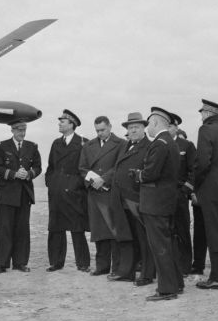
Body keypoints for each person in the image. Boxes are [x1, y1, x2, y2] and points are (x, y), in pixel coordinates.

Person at [130, 107, 183, 301]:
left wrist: (137, 174)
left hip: (155, 203)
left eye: (148, 123)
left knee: (160, 246)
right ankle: (176, 282)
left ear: (155, 123)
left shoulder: (160, 143)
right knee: (168, 244)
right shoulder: (169, 142)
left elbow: (151, 173)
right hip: (166, 201)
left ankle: (167, 289)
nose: (147, 128)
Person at [79, 116, 129, 277]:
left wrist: (104, 179)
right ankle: (102, 266)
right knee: (99, 231)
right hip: (94, 193)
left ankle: (117, 267)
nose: (100, 133)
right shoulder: (88, 146)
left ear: (110, 127)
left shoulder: (121, 144)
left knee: (114, 231)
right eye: (97, 130)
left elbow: (119, 166)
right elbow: (82, 168)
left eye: (103, 130)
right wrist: (93, 181)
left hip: (111, 192)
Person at [0, 120, 42, 274]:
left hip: (24, 194)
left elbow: (38, 167)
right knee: (5, 228)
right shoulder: (1, 146)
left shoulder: (32, 147)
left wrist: (29, 174)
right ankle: (2, 264)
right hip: (6, 194)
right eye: (19, 130)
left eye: (24, 130)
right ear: (12, 130)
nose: (22, 133)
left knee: (22, 229)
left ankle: (20, 263)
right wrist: (14, 174)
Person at [112, 111, 155, 286]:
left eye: (136, 127)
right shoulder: (124, 146)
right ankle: (126, 272)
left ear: (144, 128)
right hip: (121, 200)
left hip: (137, 200)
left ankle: (147, 274)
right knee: (126, 237)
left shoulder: (149, 147)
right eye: (130, 128)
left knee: (144, 239)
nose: (133, 130)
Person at [194, 99, 218, 289]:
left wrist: (196, 184)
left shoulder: (205, 130)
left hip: (209, 188)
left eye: (202, 112)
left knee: (214, 232)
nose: (201, 116)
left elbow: (202, 162)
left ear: (208, 113)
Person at [45, 109, 90, 272]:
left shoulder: (84, 143)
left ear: (72, 124)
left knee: (77, 228)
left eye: (62, 121)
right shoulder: (56, 143)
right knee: (56, 228)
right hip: (57, 191)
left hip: (74, 192)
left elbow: (86, 168)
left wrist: (75, 184)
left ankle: (83, 263)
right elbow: (51, 166)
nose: (59, 124)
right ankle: (56, 262)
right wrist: (51, 182)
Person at [168, 112, 196, 276]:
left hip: (179, 194)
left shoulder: (186, 145)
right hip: (163, 195)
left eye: (171, 126)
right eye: (167, 125)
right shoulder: (160, 144)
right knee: (168, 230)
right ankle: (171, 264)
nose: (169, 128)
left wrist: (186, 189)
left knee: (182, 230)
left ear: (177, 127)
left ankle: (185, 266)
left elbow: (194, 170)